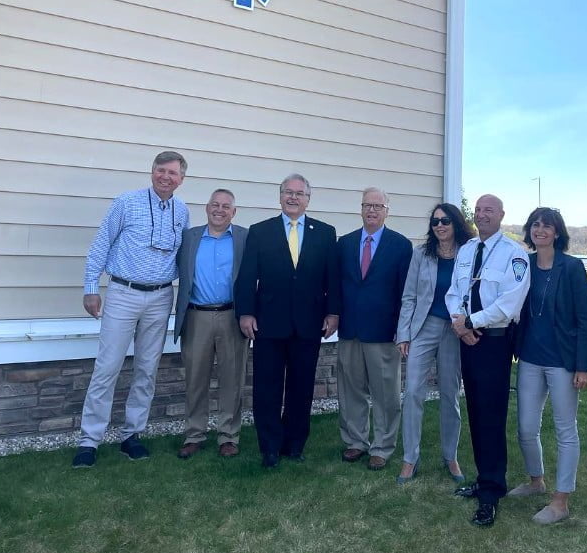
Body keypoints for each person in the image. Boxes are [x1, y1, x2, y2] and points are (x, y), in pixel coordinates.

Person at [72, 151, 190, 468]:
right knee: (107, 367)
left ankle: (132, 435)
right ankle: (89, 441)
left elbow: (184, 256)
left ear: (182, 179)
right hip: (123, 292)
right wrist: (91, 288)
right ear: (152, 172)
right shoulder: (127, 201)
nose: (166, 177)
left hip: (161, 296)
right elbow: (101, 243)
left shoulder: (182, 211)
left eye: (173, 173)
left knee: (146, 369)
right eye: (161, 170)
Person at [234, 174, 341, 468]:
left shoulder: (325, 233)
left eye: (299, 194)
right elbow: (247, 276)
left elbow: (332, 277)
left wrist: (333, 312)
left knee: (301, 387)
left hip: (309, 324)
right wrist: (245, 312)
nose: (293, 198)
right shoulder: (260, 231)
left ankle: (294, 444)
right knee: (266, 387)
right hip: (268, 323)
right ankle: (269, 446)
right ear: (279, 196)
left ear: (308, 198)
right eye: (288, 193)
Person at [447, 194, 530, 527]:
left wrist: (472, 322)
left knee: (492, 416)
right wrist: (459, 322)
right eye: (478, 210)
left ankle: (492, 492)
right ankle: (484, 478)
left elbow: (510, 303)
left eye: (489, 210)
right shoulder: (466, 250)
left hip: (495, 342)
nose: (482, 215)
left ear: (501, 215)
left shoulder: (514, 254)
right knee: (476, 413)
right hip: (468, 340)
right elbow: (455, 291)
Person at [508, 207, 587, 524]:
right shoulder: (524, 265)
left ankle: (561, 501)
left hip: (563, 362)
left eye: (547, 226)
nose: (540, 230)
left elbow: (585, 319)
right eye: (535, 225)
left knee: (565, 429)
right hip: (529, 357)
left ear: (558, 233)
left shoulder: (571, 268)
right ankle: (535, 481)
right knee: (526, 427)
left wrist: (584, 365)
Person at [396, 203, 474, 485]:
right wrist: (403, 334)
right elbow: (409, 297)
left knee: (450, 394)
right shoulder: (422, 255)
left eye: (445, 221)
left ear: (455, 223)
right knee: (413, 391)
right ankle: (410, 458)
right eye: (435, 222)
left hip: (454, 330)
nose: (440, 226)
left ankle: (450, 455)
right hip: (423, 327)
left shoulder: (469, 253)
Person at [335, 187, 412, 470]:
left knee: (385, 393)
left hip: (384, 332)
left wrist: (402, 329)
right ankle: (356, 442)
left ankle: (382, 446)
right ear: (361, 208)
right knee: (351, 390)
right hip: (350, 329)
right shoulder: (345, 243)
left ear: (387, 211)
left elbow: (406, 292)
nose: (372, 210)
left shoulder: (401, 246)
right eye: (367, 205)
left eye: (378, 206)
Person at [173, 189, 249, 459]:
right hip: (196, 316)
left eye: (226, 206)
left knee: (232, 378)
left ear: (234, 212)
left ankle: (228, 435)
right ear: (206, 208)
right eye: (215, 205)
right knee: (195, 378)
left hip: (232, 316)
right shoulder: (189, 238)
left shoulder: (244, 238)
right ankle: (194, 434)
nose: (219, 210)